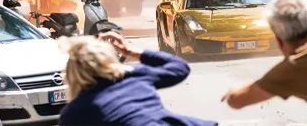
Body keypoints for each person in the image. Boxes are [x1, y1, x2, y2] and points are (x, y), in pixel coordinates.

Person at [60, 31, 216, 126]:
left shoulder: (74, 112)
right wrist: (131, 51)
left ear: (72, 73)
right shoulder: (133, 75)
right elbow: (179, 67)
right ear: (109, 60)